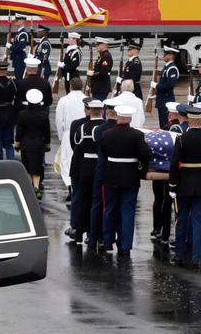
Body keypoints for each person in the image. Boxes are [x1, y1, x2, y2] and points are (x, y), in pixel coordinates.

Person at [98, 105, 152, 257]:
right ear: (130, 118)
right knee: (127, 211)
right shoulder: (136, 135)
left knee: (109, 209)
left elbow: (102, 151)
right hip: (130, 176)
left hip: (111, 175)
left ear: (118, 116)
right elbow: (146, 153)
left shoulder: (107, 134)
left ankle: (107, 241)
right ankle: (125, 245)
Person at [170, 106, 201, 269]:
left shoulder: (181, 139)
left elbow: (174, 164)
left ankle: (179, 254)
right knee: (198, 222)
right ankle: (197, 257)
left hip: (183, 184)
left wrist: (172, 185)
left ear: (188, 119)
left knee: (181, 221)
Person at [65, 99, 104, 244]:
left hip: (81, 166)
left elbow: (74, 144)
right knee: (95, 201)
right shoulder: (104, 126)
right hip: (96, 166)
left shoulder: (78, 125)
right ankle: (93, 233)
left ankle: (77, 228)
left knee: (81, 199)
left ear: (87, 109)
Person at [88, 99, 119, 251]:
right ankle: (108, 237)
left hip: (101, 169)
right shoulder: (120, 129)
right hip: (117, 171)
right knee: (114, 206)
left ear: (107, 113)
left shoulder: (99, 130)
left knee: (98, 204)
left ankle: (94, 237)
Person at [16, 87, 51, 198]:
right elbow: (47, 131)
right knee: (37, 166)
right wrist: (47, 144)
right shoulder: (44, 116)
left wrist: (17, 143)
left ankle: (28, 187)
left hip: (26, 144)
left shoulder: (22, 114)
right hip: (39, 144)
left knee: (27, 167)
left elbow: (19, 130)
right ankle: (36, 187)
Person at [145, 126, 176, 247]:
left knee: (158, 199)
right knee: (168, 201)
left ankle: (157, 228)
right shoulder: (174, 130)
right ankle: (165, 233)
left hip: (158, 168)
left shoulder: (168, 128)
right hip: (171, 170)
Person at [55, 77, 87, 178]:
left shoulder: (64, 100)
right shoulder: (86, 99)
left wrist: (61, 136)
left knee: (67, 160)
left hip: (68, 133)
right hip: (84, 133)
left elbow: (59, 119)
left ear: (70, 87)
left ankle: (70, 184)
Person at [154, 46, 181, 129]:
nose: (164, 56)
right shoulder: (166, 67)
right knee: (162, 124)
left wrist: (156, 86)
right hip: (162, 100)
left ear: (171, 55)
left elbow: (169, 86)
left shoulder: (172, 68)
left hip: (166, 100)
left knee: (165, 125)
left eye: (166, 54)